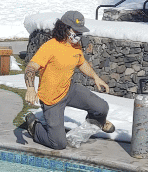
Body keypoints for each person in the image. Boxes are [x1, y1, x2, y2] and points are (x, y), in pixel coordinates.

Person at [23, 10, 114, 150]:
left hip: (69, 90)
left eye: (81, 32)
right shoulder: (50, 47)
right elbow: (30, 68)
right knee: (58, 144)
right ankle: (34, 127)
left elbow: (81, 62)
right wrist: (30, 88)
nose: (79, 35)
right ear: (64, 28)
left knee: (102, 107)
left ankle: (97, 122)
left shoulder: (75, 45)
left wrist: (95, 77)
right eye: (76, 31)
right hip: (51, 100)